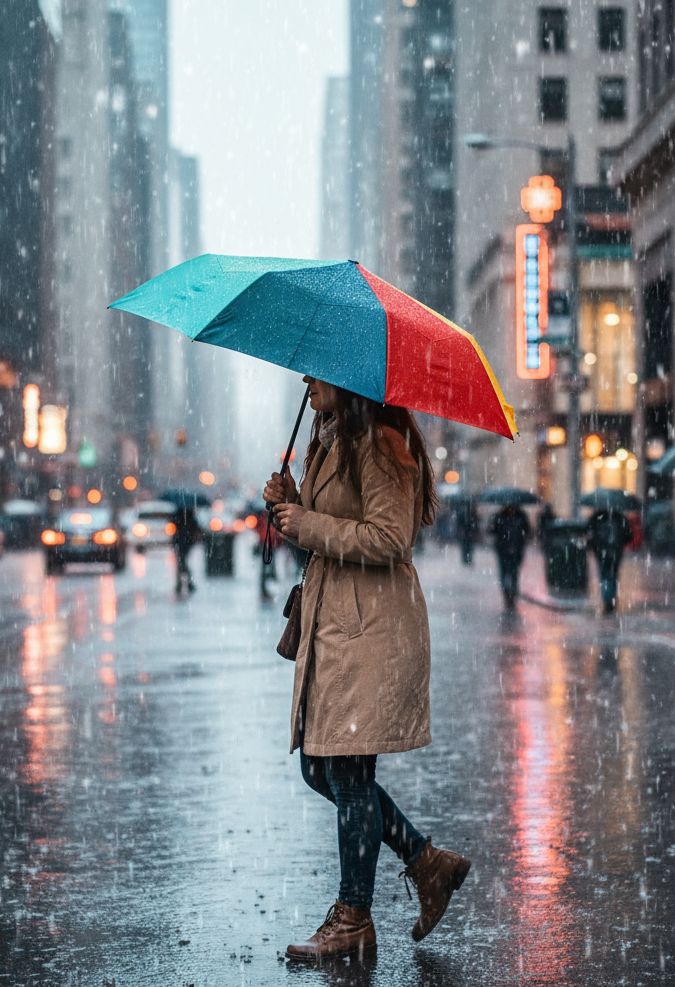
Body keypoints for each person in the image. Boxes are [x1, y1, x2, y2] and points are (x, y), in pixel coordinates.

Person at [263, 375, 471, 963]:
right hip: (338, 629)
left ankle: (354, 916)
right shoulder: (332, 440)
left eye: (315, 371)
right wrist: (290, 499)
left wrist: (305, 522)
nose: (306, 380)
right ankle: (427, 862)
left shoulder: (381, 443)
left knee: (349, 776)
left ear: (347, 379)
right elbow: (334, 519)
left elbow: (390, 538)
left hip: (371, 631)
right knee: (318, 768)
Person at [586, 507, 633, 613]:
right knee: (613, 575)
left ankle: (607, 598)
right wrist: (620, 543)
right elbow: (629, 535)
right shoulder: (620, 517)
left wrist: (594, 545)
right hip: (615, 551)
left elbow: (590, 533)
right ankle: (611, 599)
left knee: (604, 575)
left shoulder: (597, 516)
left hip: (601, 551)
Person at [490, 504, 530, 609]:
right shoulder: (519, 516)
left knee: (510, 572)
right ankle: (510, 593)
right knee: (510, 572)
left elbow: (492, 531)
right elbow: (527, 531)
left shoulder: (500, 516)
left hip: (510, 549)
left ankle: (509, 593)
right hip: (509, 549)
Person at [171, 504, 200, 596]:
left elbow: (173, 526)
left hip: (181, 541)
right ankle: (186, 584)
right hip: (185, 542)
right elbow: (196, 528)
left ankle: (182, 584)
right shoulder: (190, 515)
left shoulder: (177, 514)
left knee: (181, 563)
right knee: (182, 562)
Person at [454, 499, 477, 566]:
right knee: (466, 547)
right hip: (466, 533)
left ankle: (468, 559)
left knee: (468, 547)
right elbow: (459, 523)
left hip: (469, 533)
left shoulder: (471, 514)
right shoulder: (464, 513)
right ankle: (466, 559)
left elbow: (475, 523)